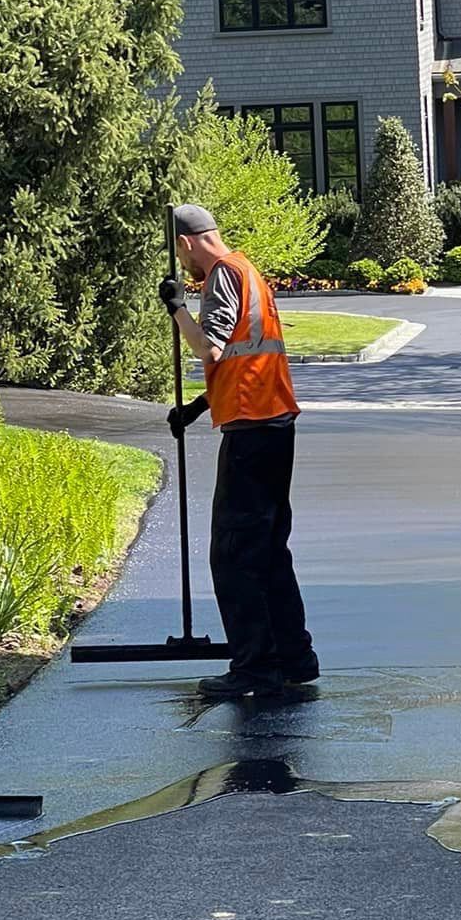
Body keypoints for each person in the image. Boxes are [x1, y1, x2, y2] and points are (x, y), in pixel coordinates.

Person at [161, 204, 318, 700]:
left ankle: (254, 668)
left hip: (252, 430)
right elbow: (240, 360)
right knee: (269, 550)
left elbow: (209, 348)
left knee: (235, 552)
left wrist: (176, 307)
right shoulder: (250, 272)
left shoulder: (222, 278)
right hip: (273, 423)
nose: (184, 267)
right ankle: (294, 658)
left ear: (186, 244)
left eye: (181, 256)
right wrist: (198, 406)